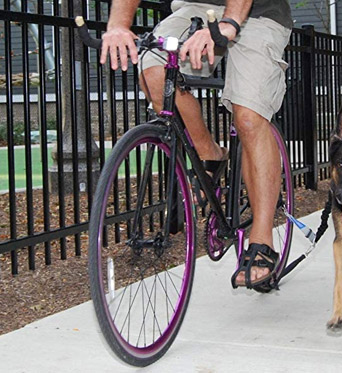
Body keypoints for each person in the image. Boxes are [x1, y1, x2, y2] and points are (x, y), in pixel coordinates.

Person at [100, 0, 292, 292]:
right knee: (153, 72)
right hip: (197, 8)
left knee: (249, 117)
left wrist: (230, 23)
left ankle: (262, 239)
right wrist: (117, 26)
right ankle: (209, 153)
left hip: (260, 14)